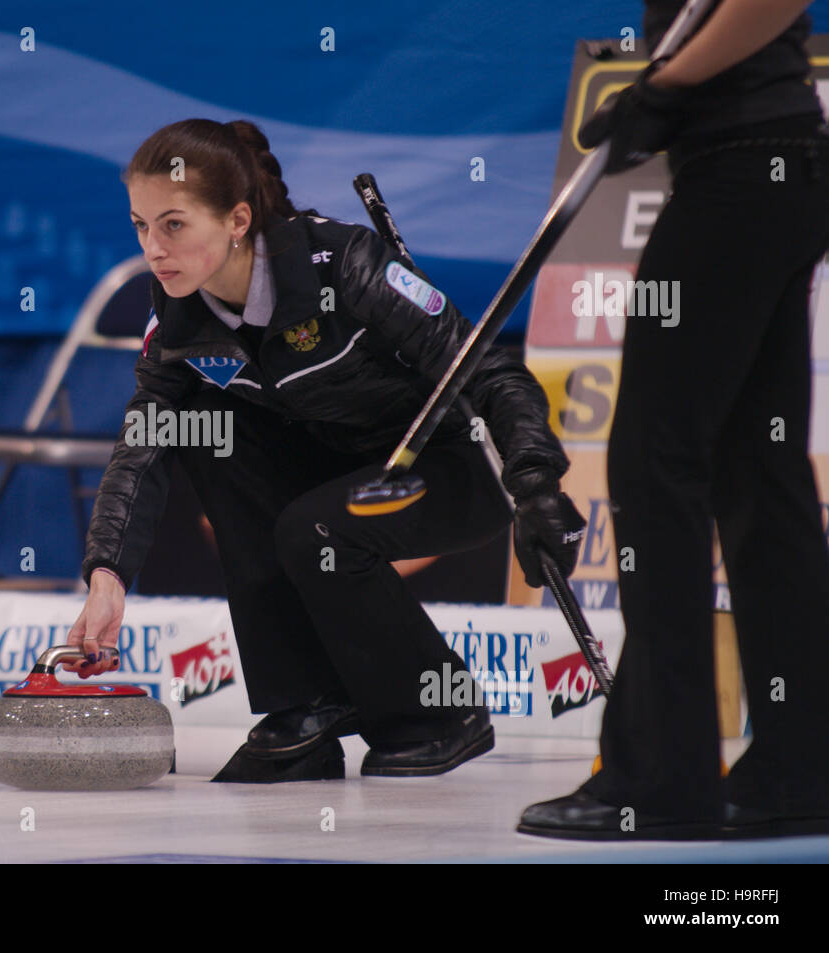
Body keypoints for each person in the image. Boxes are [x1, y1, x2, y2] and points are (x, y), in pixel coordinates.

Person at [67, 117, 585, 782]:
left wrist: (538, 481)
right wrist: (106, 573)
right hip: (338, 470)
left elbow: (492, 373)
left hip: (450, 466)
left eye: (172, 224)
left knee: (317, 529)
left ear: (236, 219)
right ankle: (306, 707)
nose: (153, 249)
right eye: (140, 226)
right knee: (198, 421)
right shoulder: (178, 310)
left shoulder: (348, 264)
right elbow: (143, 441)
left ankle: (439, 711)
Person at [519, 0, 829, 838]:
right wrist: (669, 96)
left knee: (657, 465)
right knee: (758, 470)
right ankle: (801, 768)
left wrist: (666, 85)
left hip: (741, 165)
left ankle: (660, 777)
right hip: (773, 162)